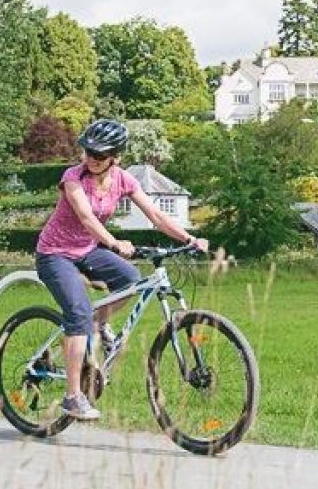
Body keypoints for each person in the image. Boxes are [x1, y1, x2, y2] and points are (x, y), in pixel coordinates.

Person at [35, 119, 207, 421]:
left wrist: (190, 238)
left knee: (130, 279)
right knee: (77, 314)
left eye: (99, 156)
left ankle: (99, 324)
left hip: (87, 249)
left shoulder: (124, 180)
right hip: (55, 254)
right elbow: (87, 218)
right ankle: (72, 397)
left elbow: (155, 214)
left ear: (115, 157)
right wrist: (114, 243)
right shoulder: (73, 177)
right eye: (88, 152)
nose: (91, 159)